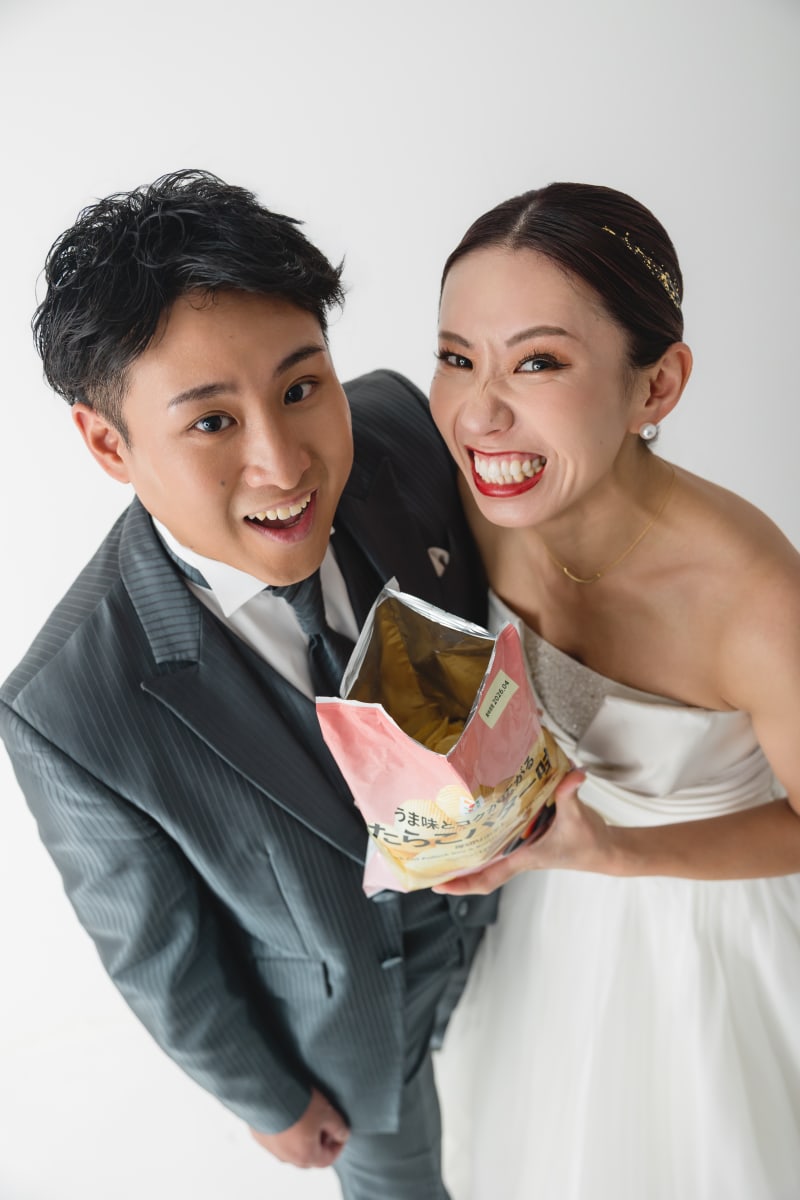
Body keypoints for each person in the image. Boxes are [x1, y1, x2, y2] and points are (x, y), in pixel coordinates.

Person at [0, 169, 497, 1200]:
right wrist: (266, 1100)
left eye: (301, 388)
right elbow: (156, 952)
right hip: (357, 1043)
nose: (283, 462)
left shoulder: (404, 431)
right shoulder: (67, 708)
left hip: (520, 920)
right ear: (108, 442)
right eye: (212, 423)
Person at [427, 182, 800, 1199]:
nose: (478, 411)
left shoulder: (757, 599)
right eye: (456, 357)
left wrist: (616, 854)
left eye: (537, 362)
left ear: (657, 386)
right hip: (542, 924)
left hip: (718, 943)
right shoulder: (471, 490)